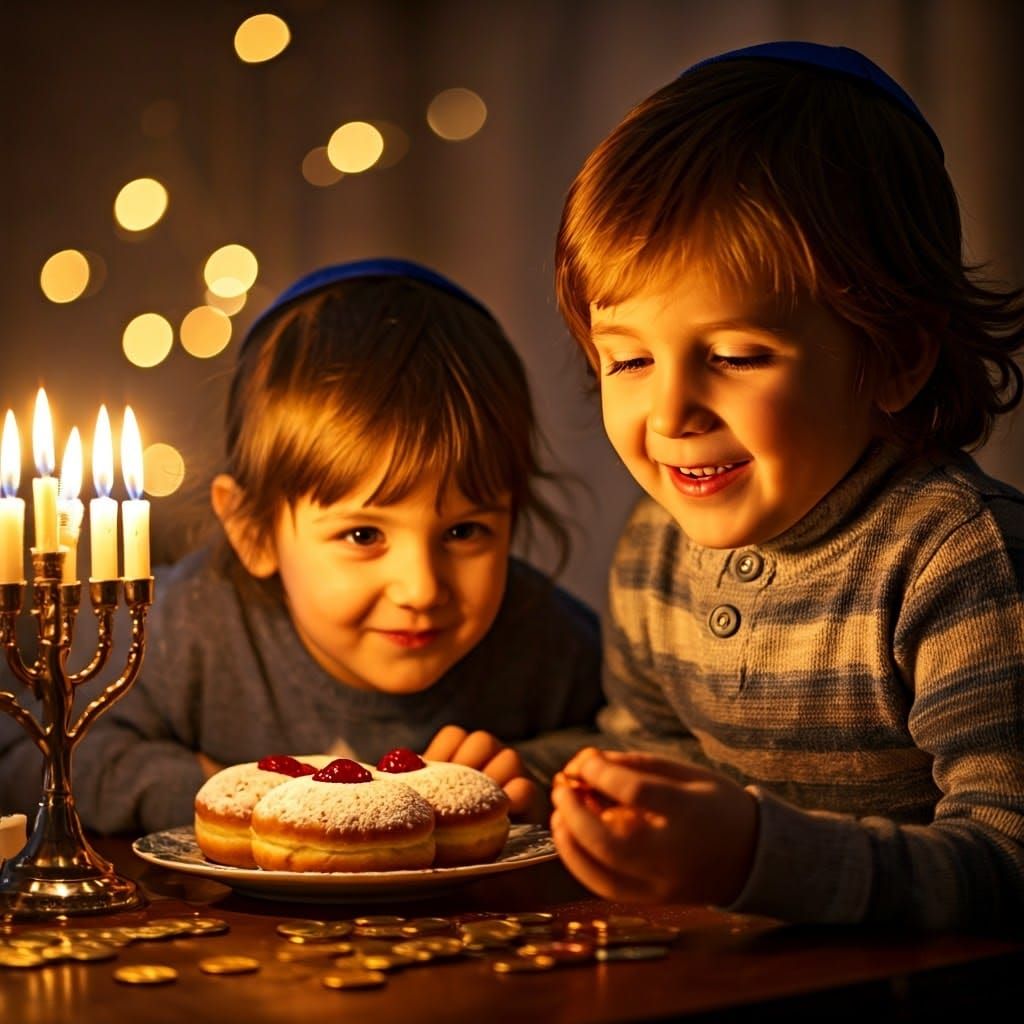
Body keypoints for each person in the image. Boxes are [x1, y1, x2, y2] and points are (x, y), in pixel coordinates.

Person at [548, 41, 1024, 930]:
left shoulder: (957, 562)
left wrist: (755, 858)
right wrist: (540, 778)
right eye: (629, 359)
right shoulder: (657, 549)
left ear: (896, 359)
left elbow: (1007, 861)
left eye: (733, 356)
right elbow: (651, 751)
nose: (671, 410)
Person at [0, 259, 603, 833]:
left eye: (465, 531)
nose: (422, 587)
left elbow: (624, 743)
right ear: (253, 531)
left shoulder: (542, 637)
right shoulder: (185, 628)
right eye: (363, 535)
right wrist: (218, 794)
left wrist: (536, 774)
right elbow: (32, 761)